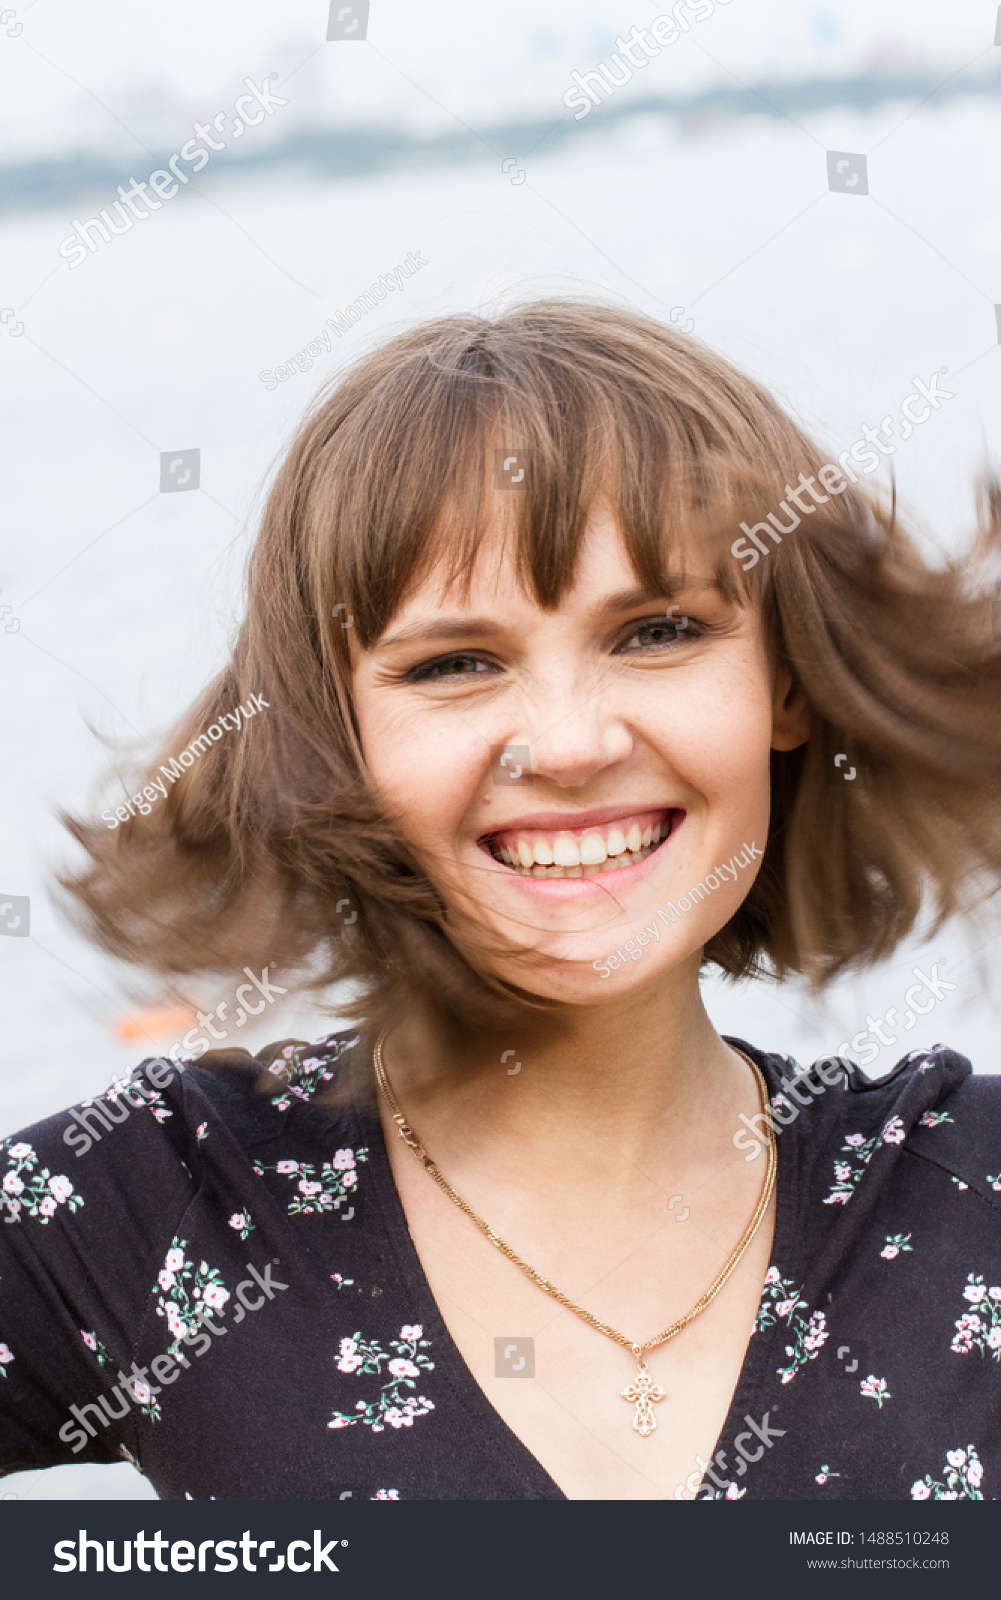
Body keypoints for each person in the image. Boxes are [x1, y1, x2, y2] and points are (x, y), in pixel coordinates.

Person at [2, 301, 999, 1503]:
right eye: (453, 664)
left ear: (786, 686)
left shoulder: (967, 1186)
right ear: (334, 740)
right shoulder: (154, 1208)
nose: (570, 744)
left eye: (658, 631)